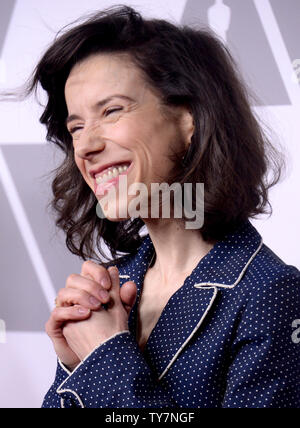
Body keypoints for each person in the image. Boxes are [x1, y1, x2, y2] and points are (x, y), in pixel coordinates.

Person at [22, 5, 299, 408]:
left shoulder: (270, 293)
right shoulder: (114, 287)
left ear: (189, 119)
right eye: (76, 127)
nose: (86, 146)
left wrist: (103, 358)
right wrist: (73, 365)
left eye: (111, 110)